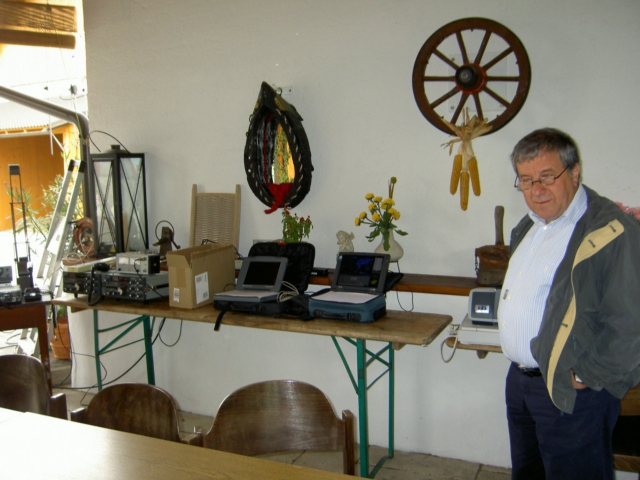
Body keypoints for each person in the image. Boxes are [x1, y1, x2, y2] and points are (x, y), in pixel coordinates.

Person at [497, 128, 640, 480]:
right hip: (521, 382)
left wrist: (586, 375)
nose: (536, 190)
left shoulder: (612, 230)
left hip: (571, 390)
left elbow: (630, 323)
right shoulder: (528, 228)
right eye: (526, 180)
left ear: (574, 172)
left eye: (547, 176)